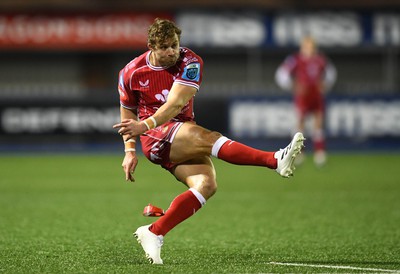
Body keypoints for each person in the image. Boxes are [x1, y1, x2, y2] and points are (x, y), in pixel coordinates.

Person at [112, 18, 305, 265]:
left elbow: (176, 104)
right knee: (208, 138)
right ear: (151, 46)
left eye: (174, 44)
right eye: (164, 47)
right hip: (155, 136)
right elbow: (127, 112)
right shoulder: (131, 72)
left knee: (206, 184)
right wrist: (130, 150)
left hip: (177, 131)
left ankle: (154, 231)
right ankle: (274, 160)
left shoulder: (190, 61)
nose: (171, 51)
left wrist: (143, 124)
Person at [275, 36, 336, 166]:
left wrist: (325, 85)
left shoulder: (320, 60)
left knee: (318, 124)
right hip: (302, 97)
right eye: (306, 46)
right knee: (300, 125)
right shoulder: (295, 59)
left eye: (311, 46)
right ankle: (299, 154)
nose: (308, 49)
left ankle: (319, 153)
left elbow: (331, 73)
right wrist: (292, 86)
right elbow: (281, 74)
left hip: (316, 96)